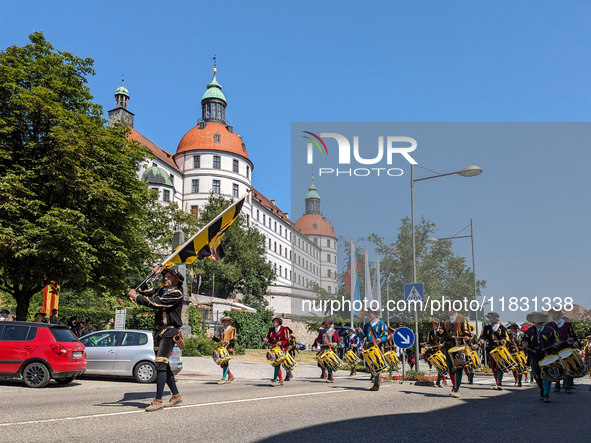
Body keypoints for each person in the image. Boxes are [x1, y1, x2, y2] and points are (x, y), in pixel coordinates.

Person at [128, 265, 184, 411]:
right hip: (159, 332)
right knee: (163, 366)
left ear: (177, 280)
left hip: (170, 332)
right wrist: (152, 276)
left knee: (160, 364)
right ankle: (176, 395)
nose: (165, 278)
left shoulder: (176, 294)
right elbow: (146, 290)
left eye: (169, 276)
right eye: (164, 276)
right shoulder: (162, 291)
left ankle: (158, 401)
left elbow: (156, 303)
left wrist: (137, 298)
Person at [521, 311, 559, 403]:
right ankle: (542, 389)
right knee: (536, 374)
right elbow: (524, 340)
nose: (536, 319)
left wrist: (555, 343)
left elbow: (555, 339)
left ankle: (546, 394)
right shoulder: (529, 331)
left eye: (538, 317)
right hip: (534, 354)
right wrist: (524, 343)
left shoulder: (549, 329)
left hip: (546, 354)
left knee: (546, 374)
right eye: (535, 317)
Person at [439, 303, 471, 398]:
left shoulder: (462, 318)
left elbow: (466, 330)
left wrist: (466, 336)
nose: (450, 308)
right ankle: (454, 386)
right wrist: (440, 332)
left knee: (458, 367)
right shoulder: (443, 318)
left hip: (458, 345)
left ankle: (457, 389)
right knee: (450, 367)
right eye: (448, 307)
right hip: (448, 346)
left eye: (452, 307)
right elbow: (439, 332)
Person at [547, 307, 579, 393]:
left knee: (568, 367)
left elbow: (573, 336)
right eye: (551, 313)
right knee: (556, 367)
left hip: (566, 348)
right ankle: (557, 384)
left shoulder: (567, 324)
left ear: (559, 313)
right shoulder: (549, 325)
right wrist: (552, 344)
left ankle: (567, 386)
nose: (553, 314)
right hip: (555, 349)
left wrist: (571, 340)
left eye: (555, 313)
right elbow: (547, 338)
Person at [358, 309, 388, 391]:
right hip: (368, 346)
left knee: (376, 365)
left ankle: (376, 383)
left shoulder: (381, 324)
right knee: (371, 366)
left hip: (376, 346)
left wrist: (380, 339)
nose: (371, 314)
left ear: (375, 314)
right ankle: (377, 379)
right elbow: (363, 335)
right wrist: (360, 332)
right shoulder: (367, 325)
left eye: (372, 313)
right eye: (369, 313)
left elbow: (385, 334)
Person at [479, 312, 509, 390]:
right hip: (490, 349)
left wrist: (504, 340)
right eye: (489, 318)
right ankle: (497, 382)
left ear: (495, 318)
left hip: (499, 349)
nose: (489, 319)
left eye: (491, 317)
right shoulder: (486, 327)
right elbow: (483, 336)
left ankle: (499, 383)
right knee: (493, 366)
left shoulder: (502, 327)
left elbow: (506, 337)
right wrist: (482, 340)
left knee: (499, 366)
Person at [264, 316, 290, 386]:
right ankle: (280, 380)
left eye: (276, 321)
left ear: (279, 322)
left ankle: (275, 380)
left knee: (277, 364)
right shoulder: (271, 330)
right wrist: (266, 340)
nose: (275, 322)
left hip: (281, 349)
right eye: (274, 321)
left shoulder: (284, 329)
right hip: (274, 350)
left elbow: (287, 340)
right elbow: (269, 339)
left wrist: (281, 343)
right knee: (276, 365)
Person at [210, 316, 237, 384]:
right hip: (222, 348)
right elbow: (219, 340)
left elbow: (234, 339)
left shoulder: (232, 329)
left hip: (228, 348)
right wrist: (214, 338)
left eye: (227, 321)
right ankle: (230, 375)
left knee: (225, 362)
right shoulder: (222, 330)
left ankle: (223, 379)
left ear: (229, 321)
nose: (226, 322)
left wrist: (228, 342)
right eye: (225, 321)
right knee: (223, 363)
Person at [315, 319, 340, 383]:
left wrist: (333, 344)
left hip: (331, 349)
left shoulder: (334, 331)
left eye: (328, 324)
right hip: (324, 349)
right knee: (325, 363)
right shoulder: (322, 332)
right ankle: (329, 375)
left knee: (330, 363)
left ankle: (329, 377)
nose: (327, 325)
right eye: (325, 324)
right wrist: (318, 347)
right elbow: (319, 340)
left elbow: (337, 341)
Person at [426, 318, 447, 388]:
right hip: (434, 351)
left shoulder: (442, 331)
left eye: (435, 324)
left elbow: (446, 340)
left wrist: (442, 344)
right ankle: (441, 381)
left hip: (442, 351)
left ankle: (441, 380)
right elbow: (428, 342)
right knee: (438, 366)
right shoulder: (430, 333)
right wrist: (427, 346)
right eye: (433, 324)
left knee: (442, 365)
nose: (434, 325)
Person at [507, 322, 525, 387]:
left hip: (519, 352)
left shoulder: (521, 335)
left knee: (520, 367)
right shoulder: (509, 335)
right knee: (514, 367)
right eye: (511, 328)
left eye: (513, 328)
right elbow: (507, 343)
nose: (512, 329)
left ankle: (519, 381)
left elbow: (523, 342)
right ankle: (516, 380)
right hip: (512, 352)